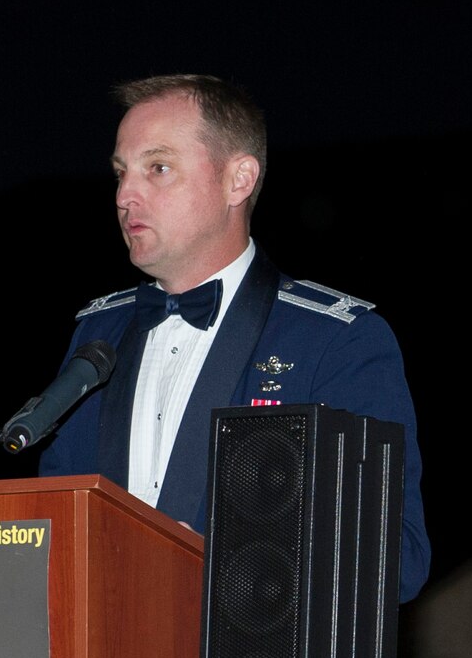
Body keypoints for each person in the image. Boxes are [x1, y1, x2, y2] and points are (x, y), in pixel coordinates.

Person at [36, 73, 429, 602]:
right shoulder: (98, 333)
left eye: (158, 167)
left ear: (238, 179)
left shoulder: (337, 341)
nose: (126, 195)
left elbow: (396, 560)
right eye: (121, 173)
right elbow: (51, 525)